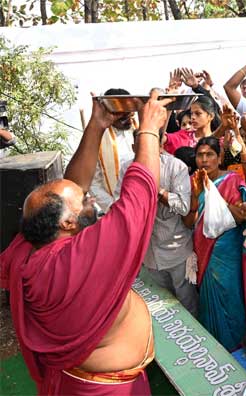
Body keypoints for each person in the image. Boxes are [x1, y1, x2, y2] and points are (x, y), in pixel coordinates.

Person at [0, 92, 172, 394]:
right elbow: (140, 198)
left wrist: (97, 125)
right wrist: (149, 130)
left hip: (75, 378)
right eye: (84, 199)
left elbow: (73, 186)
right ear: (67, 223)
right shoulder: (81, 258)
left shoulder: (26, 249)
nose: (89, 195)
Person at [114, 130, 198, 316]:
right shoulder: (127, 168)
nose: (144, 151)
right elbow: (118, 203)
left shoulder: (177, 167)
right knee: (162, 308)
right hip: (148, 254)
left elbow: (184, 207)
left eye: (149, 145)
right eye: (140, 146)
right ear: (134, 147)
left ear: (160, 145)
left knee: (187, 305)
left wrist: (157, 191)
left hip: (176, 251)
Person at [182, 136, 246, 351]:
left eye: (209, 154)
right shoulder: (192, 182)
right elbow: (188, 222)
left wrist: (221, 205)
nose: (204, 160)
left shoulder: (232, 180)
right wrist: (195, 197)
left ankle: (236, 345)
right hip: (203, 250)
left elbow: (242, 216)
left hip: (227, 250)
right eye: (200, 155)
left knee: (230, 295)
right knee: (208, 297)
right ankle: (213, 346)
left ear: (219, 157)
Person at [90, 88, 136, 212]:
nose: (129, 118)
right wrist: (113, 206)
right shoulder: (96, 139)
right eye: (122, 115)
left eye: (130, 113)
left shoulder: (140, 130)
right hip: (116, 208)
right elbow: (94, 184)